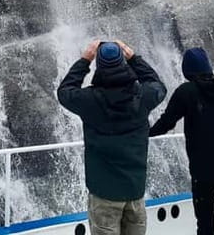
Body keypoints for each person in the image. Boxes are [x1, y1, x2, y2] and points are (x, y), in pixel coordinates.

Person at [57, 40, 166, 235]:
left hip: (104, 193)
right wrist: (134, 58)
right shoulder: (142, 96)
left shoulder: (89, 100)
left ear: (98, 66)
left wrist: (84, 60)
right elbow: (158, 86)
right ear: (123, 63)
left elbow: (64, 92)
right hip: (134, 190)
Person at [149, 47, 214, 235]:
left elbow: (167, 122)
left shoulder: (186, 92)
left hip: (202, 170)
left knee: (205, 222)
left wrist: (145, 132)